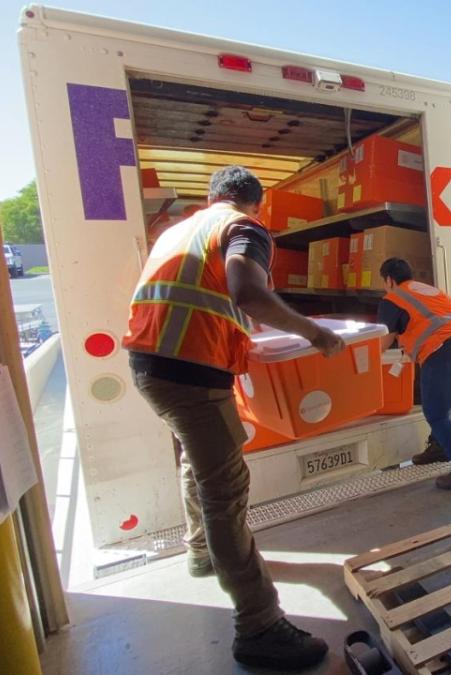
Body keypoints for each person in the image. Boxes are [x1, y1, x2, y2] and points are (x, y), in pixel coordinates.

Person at [123, 166, 342, 670]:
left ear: (211, 196)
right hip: (190, 373)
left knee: (195, 463)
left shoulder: (179, 230)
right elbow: (248, 294)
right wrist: (314, 333)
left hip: (152, 367)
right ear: (255, 205)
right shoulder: (242, 228)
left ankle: (201, 552)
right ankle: (259, 625)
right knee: (226, 489)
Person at [377, 258, 451, 489]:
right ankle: (439, 447)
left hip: (445, 354)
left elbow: (382, 343)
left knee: (436, 414)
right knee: (442, 406)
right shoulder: (430, 291)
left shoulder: (392, 298)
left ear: (389, 280)